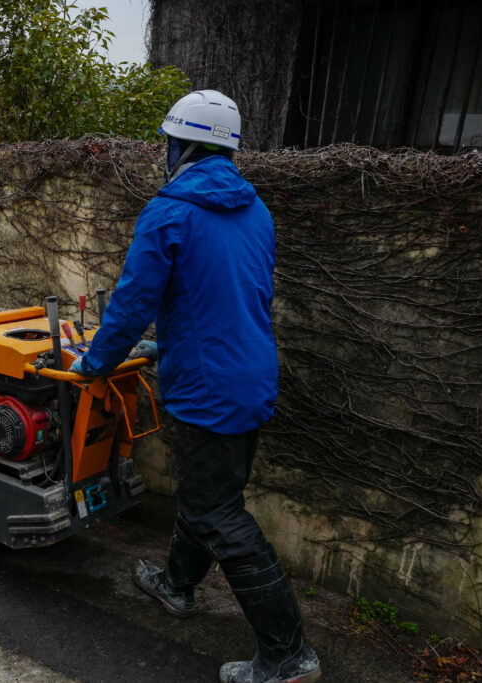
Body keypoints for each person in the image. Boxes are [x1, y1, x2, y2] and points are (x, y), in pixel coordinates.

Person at [69, 90, 321, 683]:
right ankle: (177, 586)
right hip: (250, 374)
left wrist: (97, 362)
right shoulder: (256, 209)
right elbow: (232, 296)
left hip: (208, 389)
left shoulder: (170, 210)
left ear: (179, 144)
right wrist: (169, 345)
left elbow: (133, 305)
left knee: (219, 514)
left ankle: (289, 655)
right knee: (208, 496)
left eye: (168, 142)